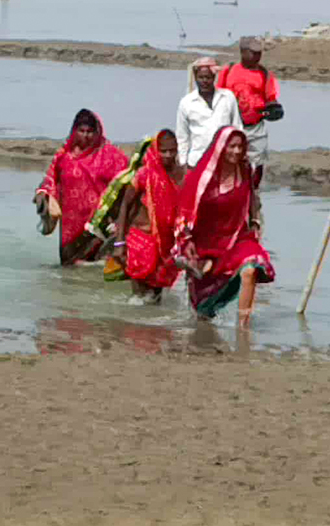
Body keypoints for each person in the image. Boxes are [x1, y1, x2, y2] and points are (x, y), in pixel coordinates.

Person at [172, 127, 274, 327]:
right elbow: (184, 210)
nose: (236, 151)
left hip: (237, 238)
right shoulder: (201, 177)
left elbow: (252, 197)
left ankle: (244, 328)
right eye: (232, 146)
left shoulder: (245, 171)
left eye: (240, 147)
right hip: (204, 243)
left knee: (251, 267)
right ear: (221, 147)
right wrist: (187, 241)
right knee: (203, 311)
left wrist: (255, 222)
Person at [35, 109, 129, 265]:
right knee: (71, 268)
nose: (85, 135)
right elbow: (50, 180)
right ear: (74, 131)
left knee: (100, 267)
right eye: (81, 131)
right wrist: (44, 195)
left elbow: (125, 184)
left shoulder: (111, 156)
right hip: (71, 226)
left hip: (101, 223)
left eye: (90, 131)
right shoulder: (64, 156)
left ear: (97, 132)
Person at [112, 130, 187, 301]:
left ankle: (153, 328)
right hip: (141, 243)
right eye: (163, 151)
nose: (168, 155)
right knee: (138, 299)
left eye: (172, 150)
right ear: (156, 150)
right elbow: (125, 205)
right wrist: (119, 242)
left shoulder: (182, 175)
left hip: (166, 245)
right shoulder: (144, 174)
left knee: (155, 298)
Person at [216, 36, 284, 189]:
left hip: (255, 126)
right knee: (229, 159)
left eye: (259, 53)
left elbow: (271, 99)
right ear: (243, 52)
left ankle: (253, 192)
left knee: (257, 162)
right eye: (254, 53)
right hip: (232, 124)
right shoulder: (229, 70)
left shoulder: (265, 75)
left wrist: (274, 110)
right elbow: (219, 96)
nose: (257, 57)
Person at [176, 57, 242, 169]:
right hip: (196, 162)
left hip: (224, 161)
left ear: (214, 77)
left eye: (208, 77)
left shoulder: (227, 97)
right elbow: (182, 137)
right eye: (201, 77)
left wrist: (239, 156)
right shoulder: (186, 103)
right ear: (195, 78)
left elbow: (237, 128)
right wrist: (183, 163)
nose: (204, 81)